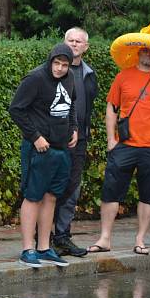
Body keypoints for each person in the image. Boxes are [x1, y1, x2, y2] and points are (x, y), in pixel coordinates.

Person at [88, 22, 150, 256]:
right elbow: (111, 107)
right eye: (144, 49)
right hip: (125, 145)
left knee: (148, 195)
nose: (147, 53)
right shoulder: (123, 76)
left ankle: (140, 239)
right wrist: (111, 139)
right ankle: (105, 238)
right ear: (138, 51)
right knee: (110, 191)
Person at [8, 43, 77, 269]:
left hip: (61, 148)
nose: (59, 68)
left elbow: (72, 104)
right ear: (50, 61)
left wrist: (74, 128)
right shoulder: (35, 78)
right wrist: (35, 136)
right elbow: (16, 108)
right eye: (56, 63)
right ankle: (27, 249)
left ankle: (44, 247)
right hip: (38, 148)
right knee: (33, 196)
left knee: (51, 197)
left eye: (64, 65)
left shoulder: (70, 78)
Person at [52, 27, 97, 258]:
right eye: (70, 40)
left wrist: (81, 132)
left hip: (79, 141)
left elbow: (87, 108)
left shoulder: (89, 74)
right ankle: (44, 238)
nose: (74, 44)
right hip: (53, 140)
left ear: (86, 47)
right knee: (50, 189)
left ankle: (62, 236)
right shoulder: (54, 71)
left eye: (79, 41)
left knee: (72, 188)